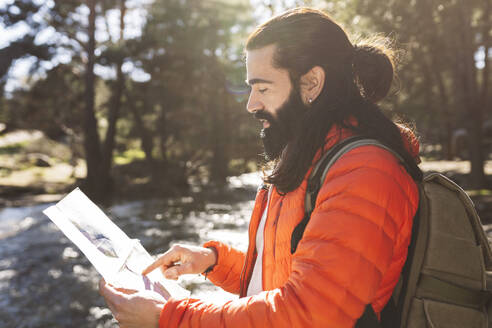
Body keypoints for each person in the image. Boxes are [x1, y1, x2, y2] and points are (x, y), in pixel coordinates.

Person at [99, 7, 422, 328]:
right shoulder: (305, 160)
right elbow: (281, 277)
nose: (251, 104)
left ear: (312, 83)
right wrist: (213, 261)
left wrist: (167, 318)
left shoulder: (366, 171)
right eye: (250, 88)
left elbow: (311, 313)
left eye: (263, 88)